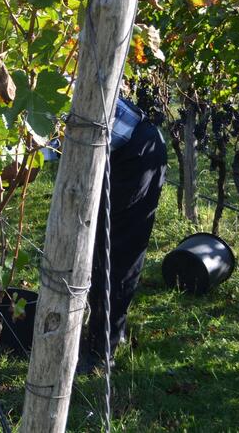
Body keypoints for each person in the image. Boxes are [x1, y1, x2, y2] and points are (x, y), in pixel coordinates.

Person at [46, 97, 167, 374]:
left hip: (135, 153)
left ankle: (102, 351)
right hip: (115, 151)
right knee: (99, 246)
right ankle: (104, 332)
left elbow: (31, 162)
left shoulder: (36, 98)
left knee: (115, 252)